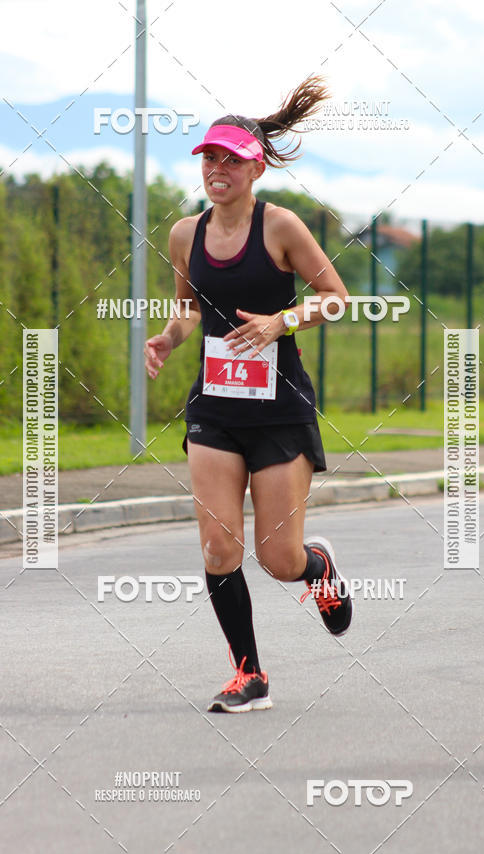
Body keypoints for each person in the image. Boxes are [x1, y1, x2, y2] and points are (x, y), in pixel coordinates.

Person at [144, 75, 353, 713]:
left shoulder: (281, 226)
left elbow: (337, 300)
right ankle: (249, 676)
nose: (216, 169)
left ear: (255, 165)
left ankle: (318, 569)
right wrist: (169, 339)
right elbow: (188, 313)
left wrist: (278, 322)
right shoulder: (185, 234)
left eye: (229, 159)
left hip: (279, 410)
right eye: (208, 157)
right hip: (214, 409)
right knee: (217, 546)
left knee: (278, 559)